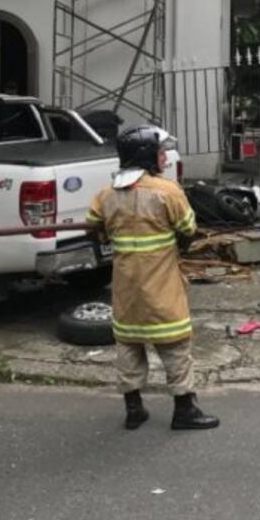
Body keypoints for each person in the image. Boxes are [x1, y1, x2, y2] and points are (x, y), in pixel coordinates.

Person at [86, 125, 218, 431]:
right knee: (175, 344)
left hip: (126, 288)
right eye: (160, 153)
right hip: (161, 285)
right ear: (146, 156)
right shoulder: (167, 191)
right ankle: (184, 410)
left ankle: (134, 409)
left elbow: (94, 230)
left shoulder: (105, 196)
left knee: (128, 344)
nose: (165, 159)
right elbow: (188, 229)